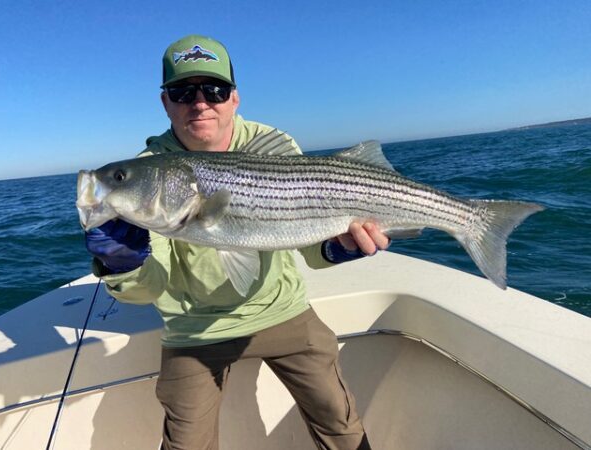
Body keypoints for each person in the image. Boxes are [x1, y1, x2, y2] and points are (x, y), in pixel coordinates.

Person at [85, 34, 390, 450]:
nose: (199, 102)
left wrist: (338, 247)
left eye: (214, 89)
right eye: (182, 91)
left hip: (281, 309)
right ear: (165, 102)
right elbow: (150, 288)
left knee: (340, 421)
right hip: (194, 330)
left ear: (234, 98)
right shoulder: (145, 173)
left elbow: (306, 245)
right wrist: (124, 265)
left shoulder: (274, 147)